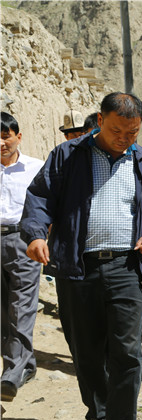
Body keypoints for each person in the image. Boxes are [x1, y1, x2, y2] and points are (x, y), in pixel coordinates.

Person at [21, 92, 142, 420]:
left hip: (127, 267)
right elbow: (40, 197)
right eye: (117, 130)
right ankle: (100, 413)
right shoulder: (67, 155)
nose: (124, 138)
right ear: (100, 121)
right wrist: (35, 234)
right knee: (86, 350)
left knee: (127, 352)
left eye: (132, 132)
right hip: (78, 268)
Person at [1, 112, 44, 403]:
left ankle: (12, 372)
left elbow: (46, 204)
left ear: (18, 136)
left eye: (5, 136)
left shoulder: (35, 168)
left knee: (22, 306)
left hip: (23, 240)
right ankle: (25, 365)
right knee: (3, 311)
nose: (1, 143)